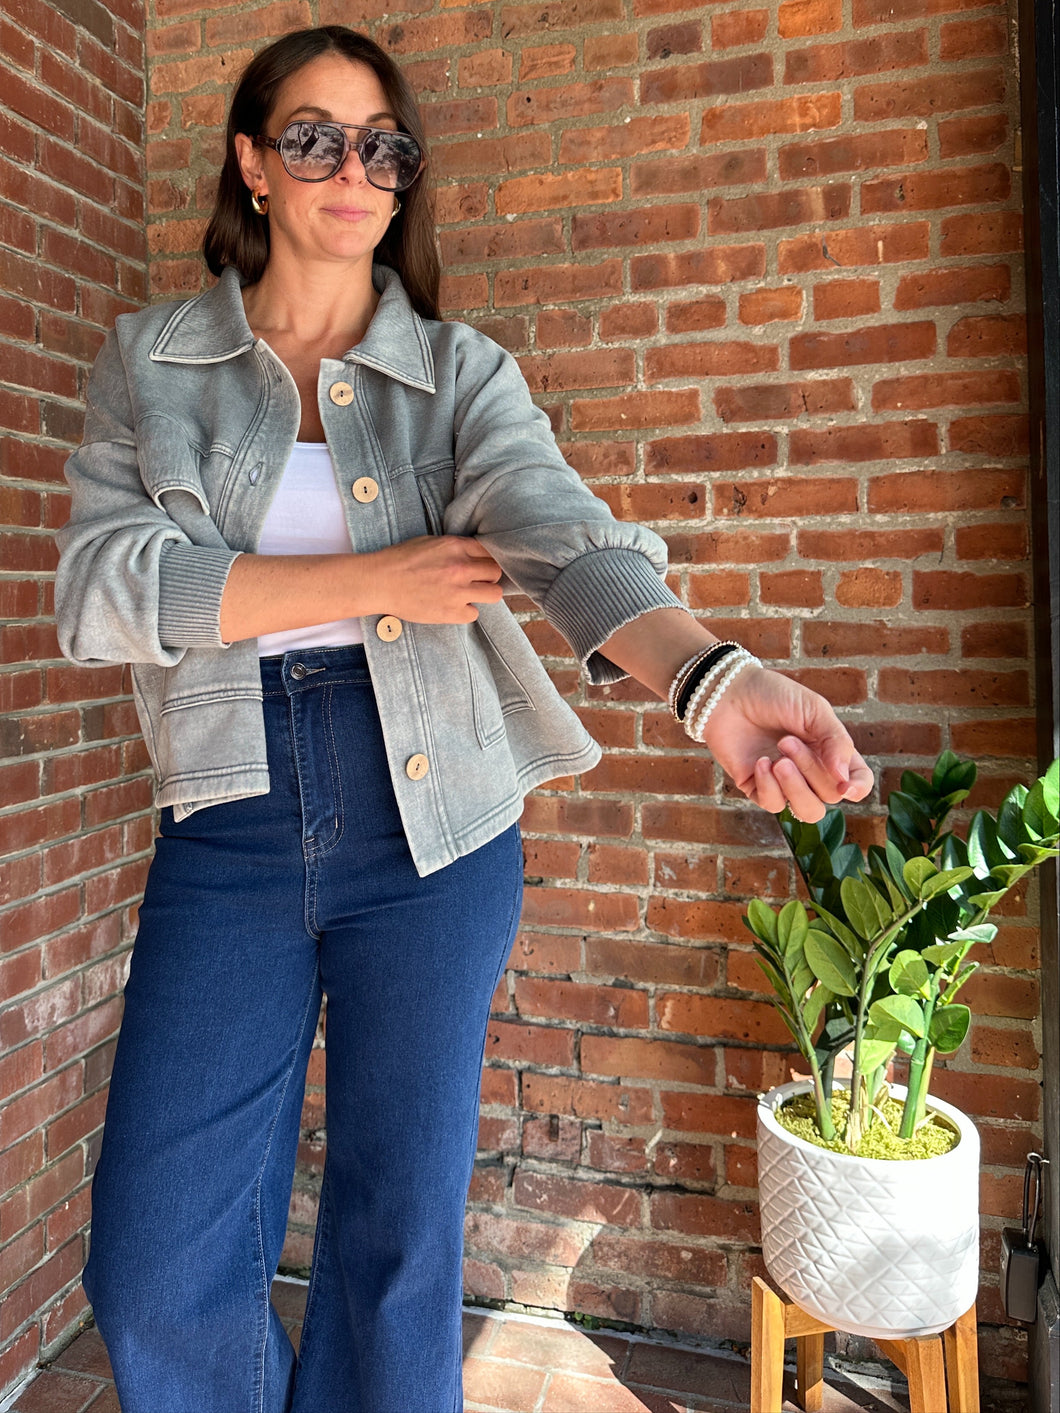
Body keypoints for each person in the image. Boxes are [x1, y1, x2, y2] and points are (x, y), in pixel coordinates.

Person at [53, 24, 873, 1413]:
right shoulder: (155, 363)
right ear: (253, 163)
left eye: (384, 145)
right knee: (154, 1261)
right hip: (231, 816)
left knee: (396, 1250)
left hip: (433, 824)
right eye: (313, 135)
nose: (352, 168)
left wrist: (714, 679)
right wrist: (374, 575)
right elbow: (99, 589)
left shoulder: (459, 373)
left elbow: (562, 536)